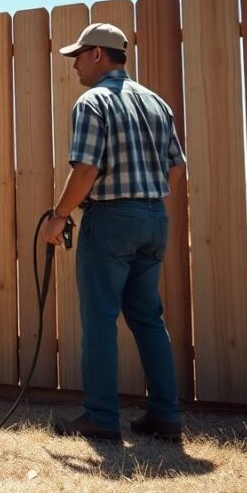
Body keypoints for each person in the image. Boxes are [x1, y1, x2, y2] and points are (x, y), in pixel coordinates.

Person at [43, 22, 186, 442]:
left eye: (78, 56)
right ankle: (165, 416)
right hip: (154, 218)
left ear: (98, 54)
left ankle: (101, 418)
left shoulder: (93, 102)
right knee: (148, 319)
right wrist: (146, 202)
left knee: (100, 321)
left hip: (109, 221)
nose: (74, 66)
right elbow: (177, 167)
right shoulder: (156, 102)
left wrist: (59, 216)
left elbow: (86, 168)